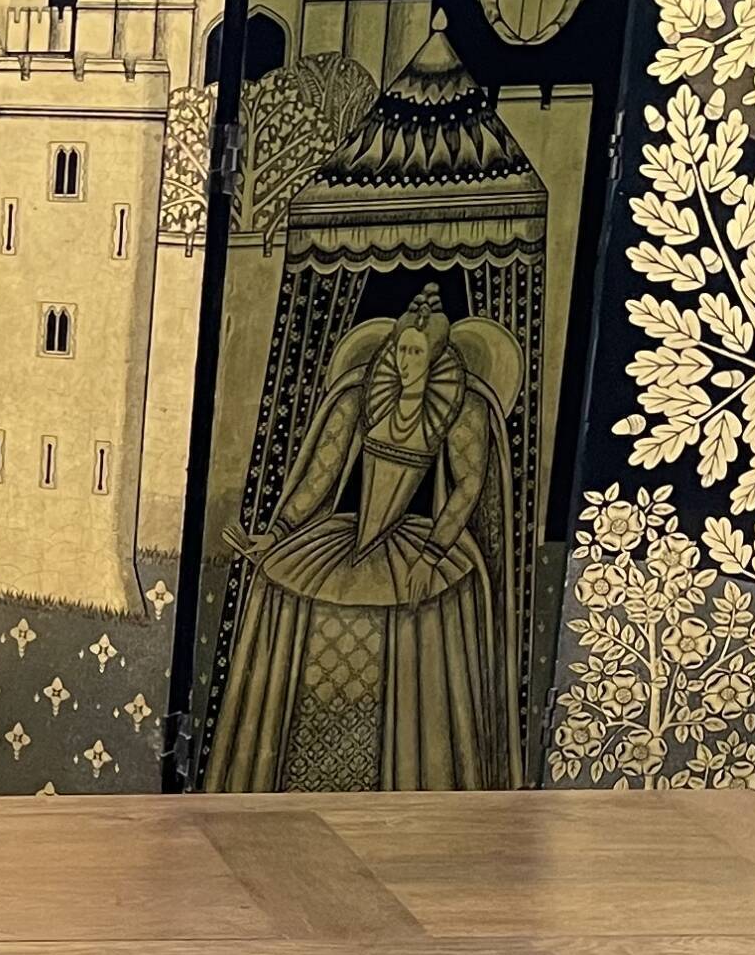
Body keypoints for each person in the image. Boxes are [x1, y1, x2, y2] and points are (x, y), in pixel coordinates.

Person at [206, 286, 523, 792]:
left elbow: (467, 487)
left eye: (417, 351)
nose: (406, 359)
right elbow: (320, 475)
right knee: (292, 592)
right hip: (346, 540)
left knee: (412, 625)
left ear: (438, 354)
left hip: (422, 546)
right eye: (401, 348)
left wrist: (433, 553)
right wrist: (279, 532)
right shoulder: (362, 394)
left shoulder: (464, 408)